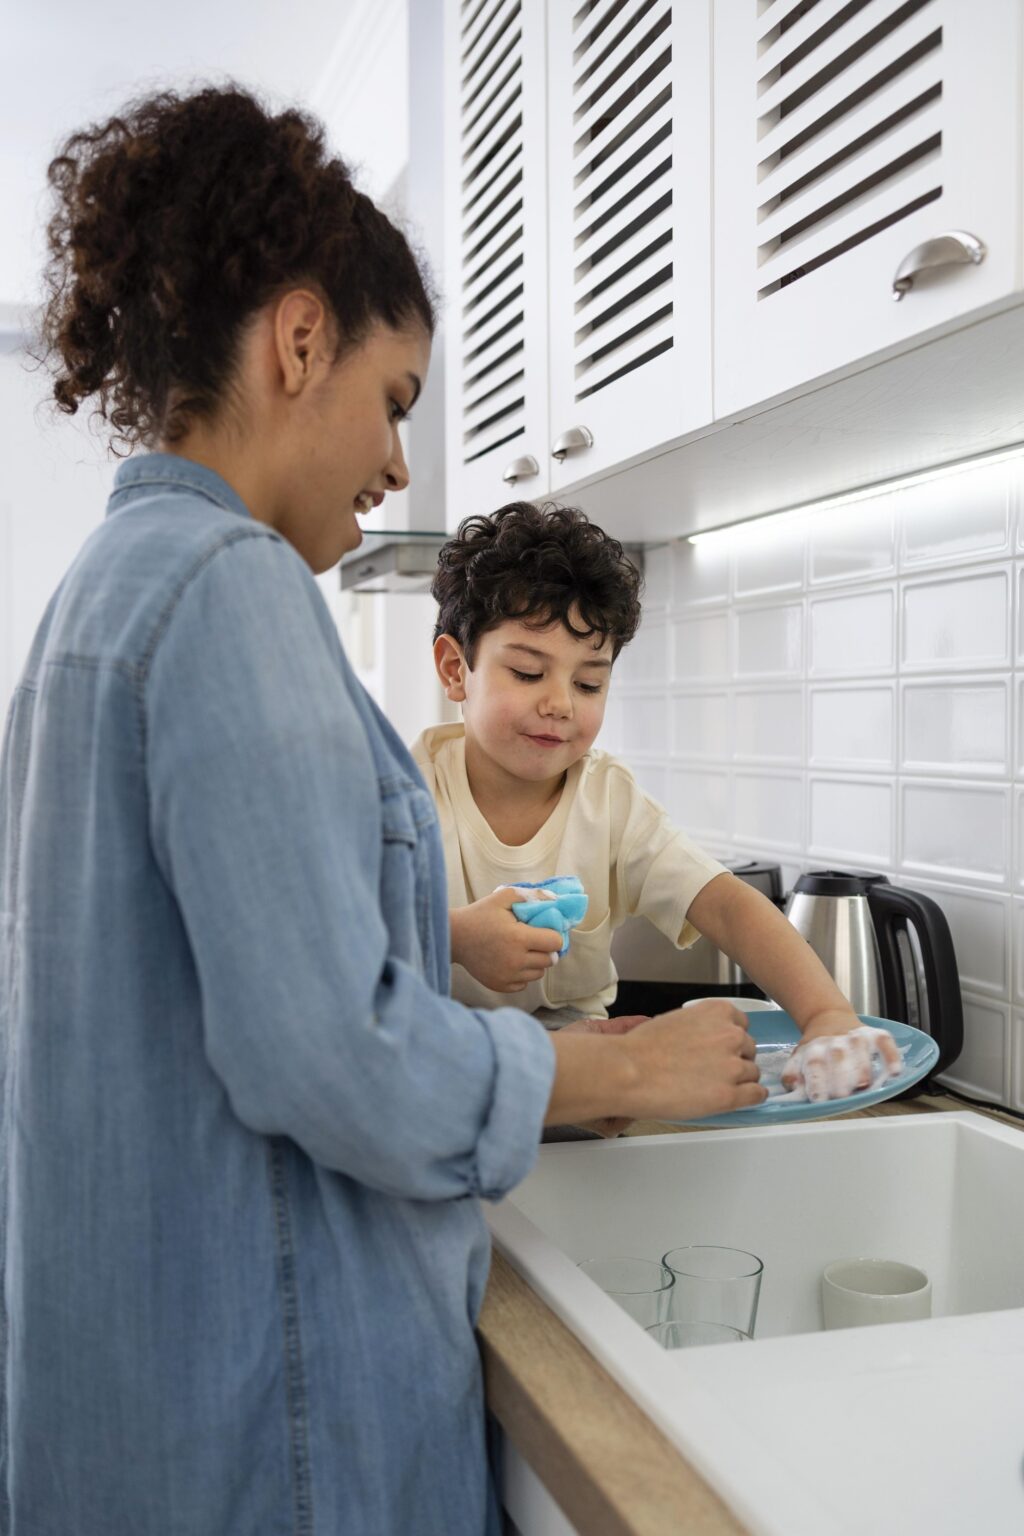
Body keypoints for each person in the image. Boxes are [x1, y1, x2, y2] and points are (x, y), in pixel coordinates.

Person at [0, 87, 772, 1536]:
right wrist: (613, 1076)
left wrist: (436, 943)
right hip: (270, 1431)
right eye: (397, 402)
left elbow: (205, 976)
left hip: (149, 1401)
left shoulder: (100, 602)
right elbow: (327, 1054)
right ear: (301, 342)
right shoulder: (227, 589)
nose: (400, 465)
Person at [413, 503, 897, 1093]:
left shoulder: (609, 801)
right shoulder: (404, 792)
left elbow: (727, 905)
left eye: (589, 682)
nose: (561, 703)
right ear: (455, 668)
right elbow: (342, 939)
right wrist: (457, 937)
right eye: (527, 673)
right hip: (441, 1081)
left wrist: (828, 1019)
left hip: (583, 1085)